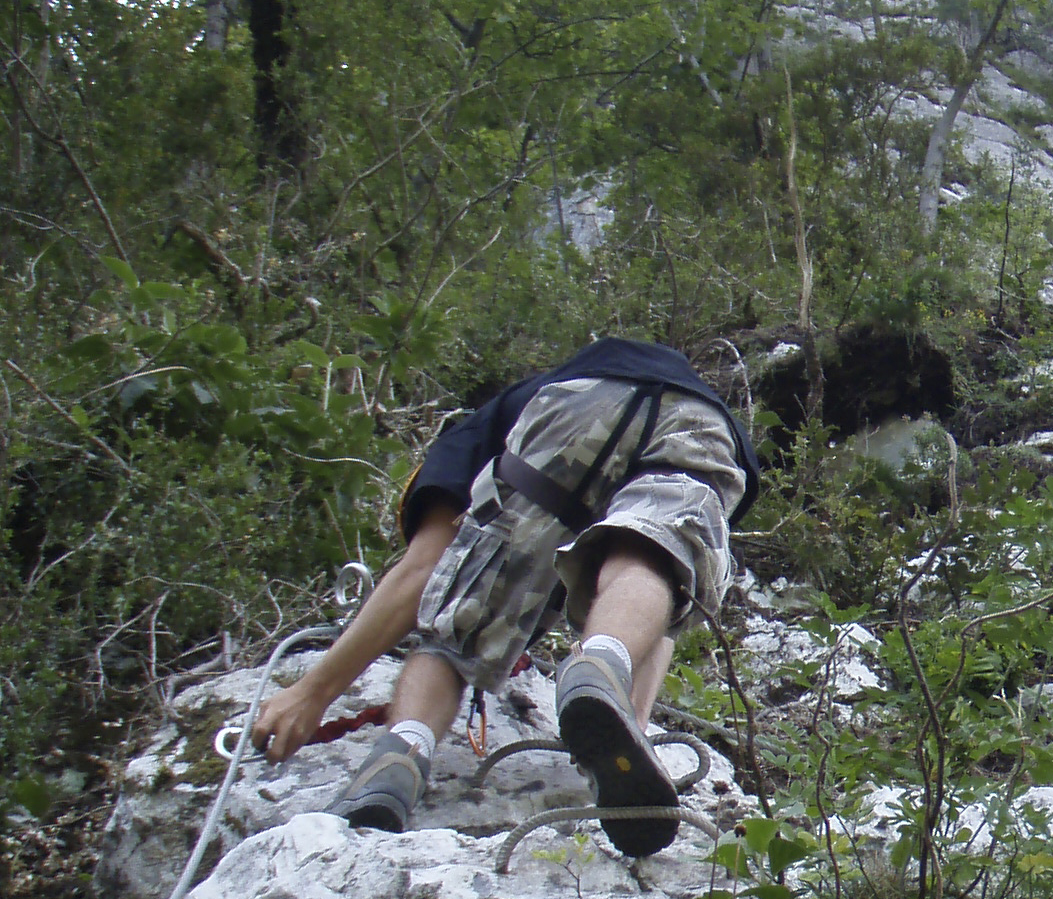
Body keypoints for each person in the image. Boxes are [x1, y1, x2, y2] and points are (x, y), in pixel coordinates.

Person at [253, 338, 761, 855]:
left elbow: (424, 572)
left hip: (577, 407)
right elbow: (664, 617)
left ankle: (400, 755)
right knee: (656, 559)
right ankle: (610, 683)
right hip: (703, 419)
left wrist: (312, 692)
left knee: (457, 630)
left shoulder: (466, 439)